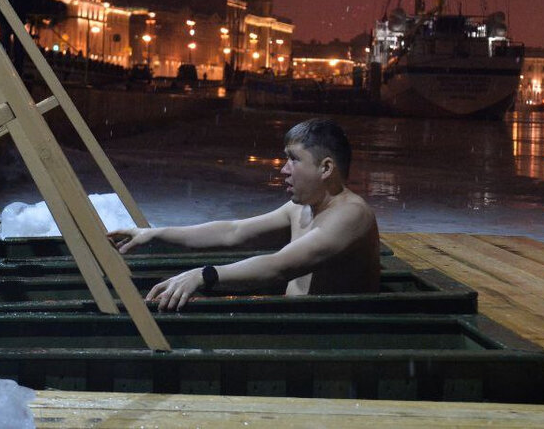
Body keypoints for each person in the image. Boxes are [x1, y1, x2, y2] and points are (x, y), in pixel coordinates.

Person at [109, 118, 380, 311]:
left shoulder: (351, 215)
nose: (284, 170)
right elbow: (233, 232)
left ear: (326, 168)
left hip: (335, 333)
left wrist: (204, 275)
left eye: (294, 159)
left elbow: (279, 267)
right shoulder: (300, 208)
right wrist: (154, 234)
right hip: (300, 322)